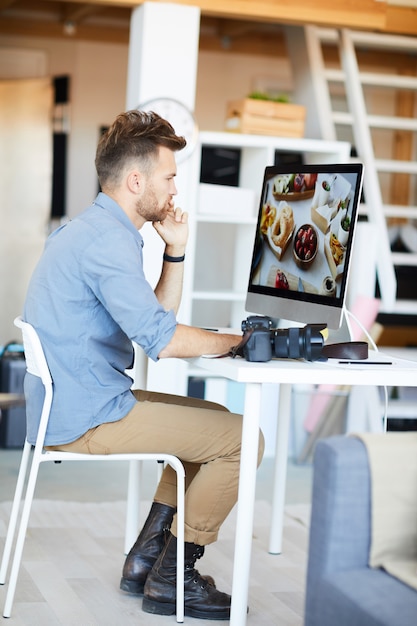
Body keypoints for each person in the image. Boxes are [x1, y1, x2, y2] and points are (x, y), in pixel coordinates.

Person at [23, 109, 265, 620]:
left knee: (219, 424)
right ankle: (175, 577)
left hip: (78, 401)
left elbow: (155, 319)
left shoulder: (93, 231)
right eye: (169, 176)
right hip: (88, 414)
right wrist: (239, 341)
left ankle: (147, 562)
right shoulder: (107, 242)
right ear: (137, 181)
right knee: (246, 439)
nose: (176, 188)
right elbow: (162, 340)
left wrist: (174, 253)